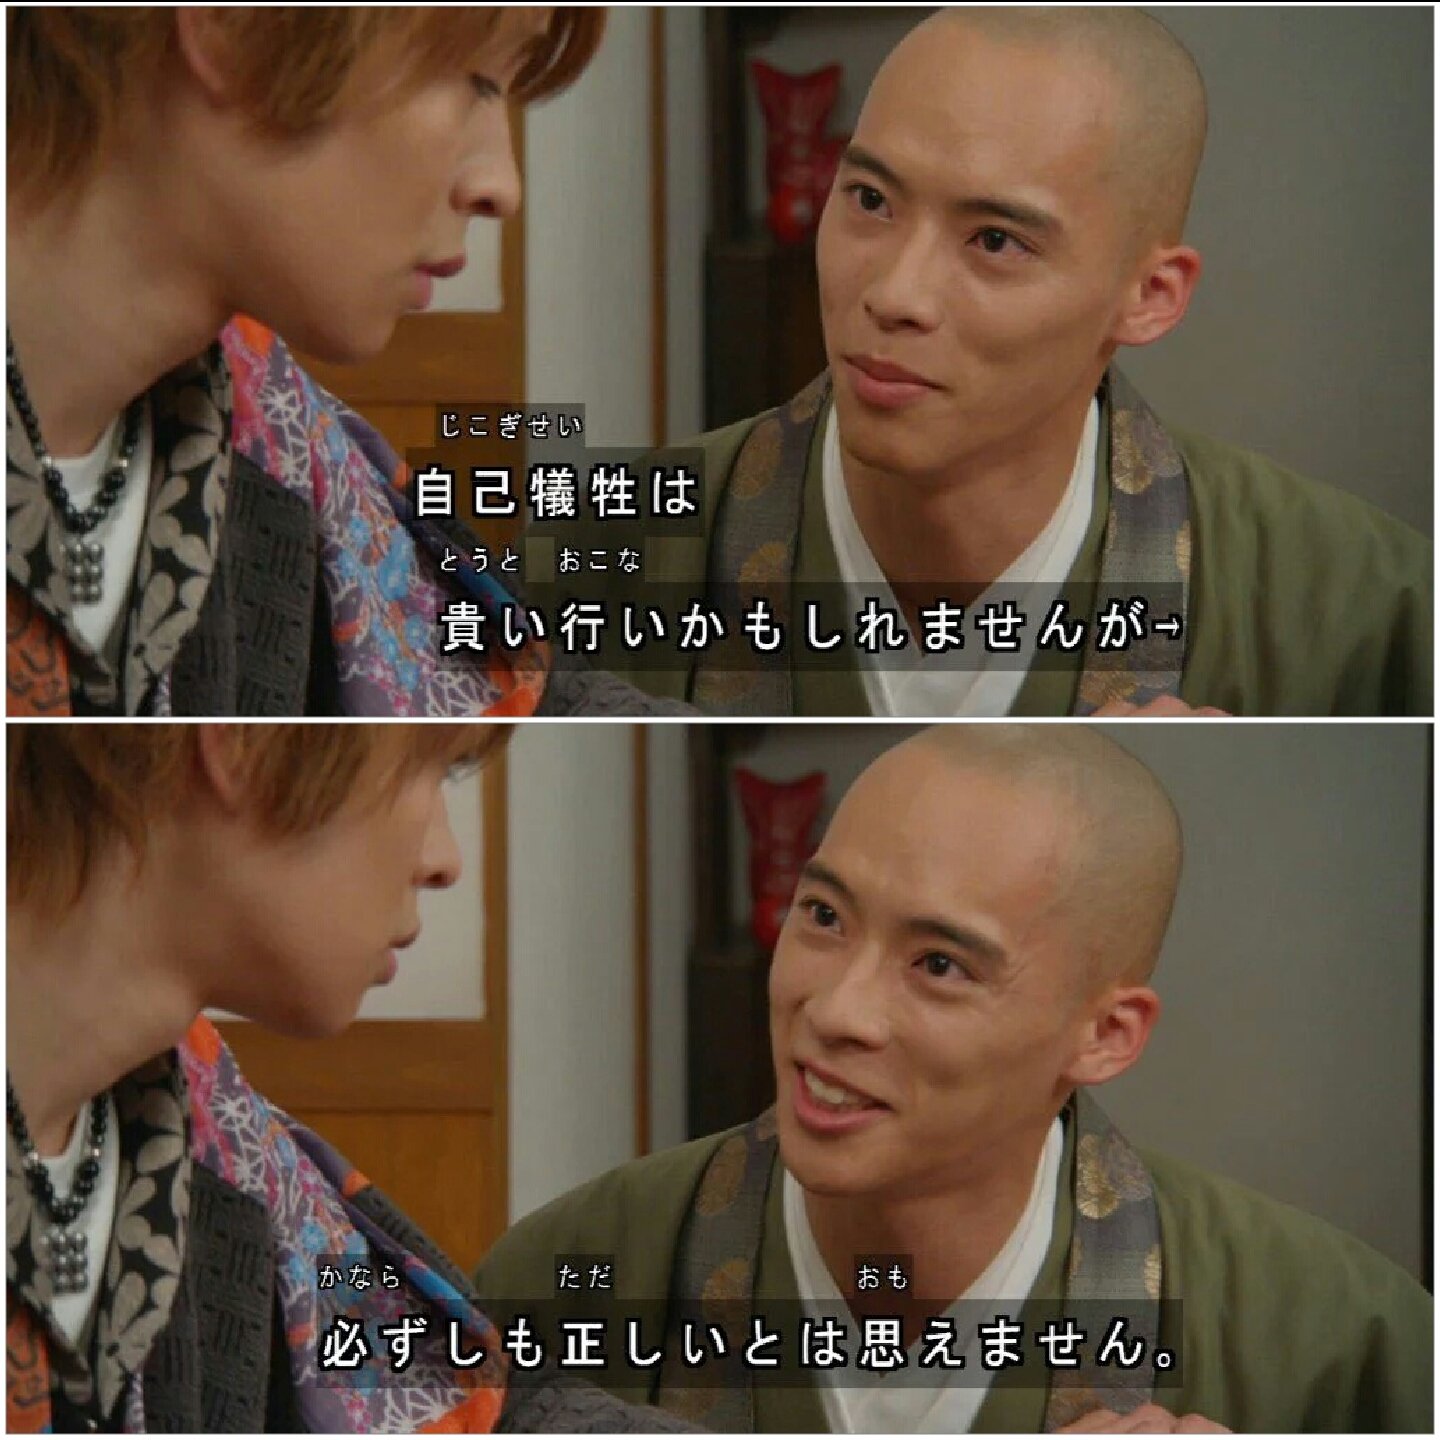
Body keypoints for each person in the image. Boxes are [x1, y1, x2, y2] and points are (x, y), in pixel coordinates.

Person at [475, 726, 1433, 1432]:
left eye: (939, 964)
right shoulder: (564, 1281)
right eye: (822, 916)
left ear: (1105, 1035)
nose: (836, 1011)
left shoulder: (1332, 1339)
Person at [550, 8, 1430, 718]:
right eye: (870, 199)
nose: (895, 292)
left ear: (1149, 295)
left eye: (996, 240)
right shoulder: (593, 552)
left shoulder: (1363, 609)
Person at [5, 723, 692, 1432]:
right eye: (431, 768)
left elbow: (463, 1393)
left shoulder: (206, 1129)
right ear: (244, 740)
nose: (445, 861)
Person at [6, 7, 683, 719]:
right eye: (477, 78)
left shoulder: (285, 446)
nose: (501, 186)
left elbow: (528, 680)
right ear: (233, 27)